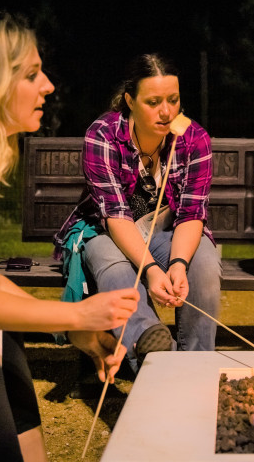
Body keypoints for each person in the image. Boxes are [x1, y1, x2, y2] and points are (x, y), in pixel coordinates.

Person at [0, 13, 139, 462]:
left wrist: (71, 324)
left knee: (3, 337)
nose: (48, 86)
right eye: (32, 75)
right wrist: (81, 316)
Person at [54, 53, 222, 374]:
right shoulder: (103, 136)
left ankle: (197, 365)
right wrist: (150, 269)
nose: (166, 111)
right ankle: (150, 345)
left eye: (173, 100)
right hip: (106, 232)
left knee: (203, 261)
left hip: (164, 233)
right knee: (112, 264)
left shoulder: (193, 139)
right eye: (153, 101)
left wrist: (177, 264)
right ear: (130, 101)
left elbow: (191, 213)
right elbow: (115, 215)